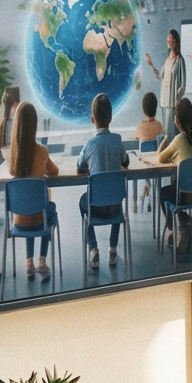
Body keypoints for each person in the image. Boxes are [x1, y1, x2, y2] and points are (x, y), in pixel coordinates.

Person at [3, 103, 60, 282]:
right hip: (39, 220)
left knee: (29, 204)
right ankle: (42, 260)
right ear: (35, 125)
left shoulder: (13, 154)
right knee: (48, 207)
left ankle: (29, 263)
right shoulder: (42, 151)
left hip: (19, 220)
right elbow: (55, 172)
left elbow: (14, 172)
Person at [74, 92, 130, 269]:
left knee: (83, 201)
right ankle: (113, 248)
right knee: (117, 197)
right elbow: (126, 161)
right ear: (111, 118)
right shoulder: (117, 140)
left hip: (95, 208)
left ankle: (93, 248)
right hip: (114, 207)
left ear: (92, 119)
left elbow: (80, 167)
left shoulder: (89, 145)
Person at [156, 96, 192, 246]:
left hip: (182, 195)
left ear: (177, 120)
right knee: (174, 184)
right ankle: (183, 219)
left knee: (163, 193)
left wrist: (164, 139)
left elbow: (160, 158)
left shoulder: (178, 139)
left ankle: (173, 227)